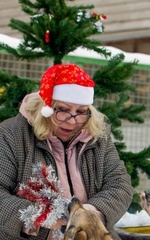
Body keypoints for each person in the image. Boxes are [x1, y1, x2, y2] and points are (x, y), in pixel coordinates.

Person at [0, 63, 133, 240]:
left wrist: (89, 214)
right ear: (46, 108)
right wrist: (37, 216)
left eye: (81, 112)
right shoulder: (12, 135)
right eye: (62, 111)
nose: (72, 122)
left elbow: (120, 184)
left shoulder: (97, 136)